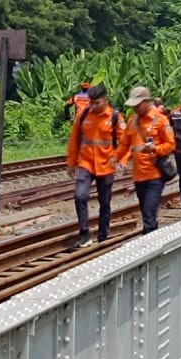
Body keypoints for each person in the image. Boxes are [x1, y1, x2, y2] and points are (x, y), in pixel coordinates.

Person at [66, 83, 123, 247]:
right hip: (86, 163)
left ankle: (103, 234)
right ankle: (84, 233)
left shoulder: (114, 117)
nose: (93, 106)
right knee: (79, 196)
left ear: (105, 100)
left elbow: (125, 141)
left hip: (106, 165)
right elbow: (74, 140)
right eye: (91, 102)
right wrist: (71, 163)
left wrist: (119, 158)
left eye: (97, 103)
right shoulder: (84, 115)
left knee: (104, 202)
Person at [120, 86, 176, 234]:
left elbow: (171, 144)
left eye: (137, 105)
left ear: (146, 102)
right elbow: (124, 144)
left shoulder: (160, 120)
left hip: (155, 175)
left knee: (149, 214)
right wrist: (118, 159)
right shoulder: (132, 121)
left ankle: (148, 243)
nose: (135, 109)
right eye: (133, 106)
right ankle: (153, 236)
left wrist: (156, 149)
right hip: (139, 176)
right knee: (146, 212)